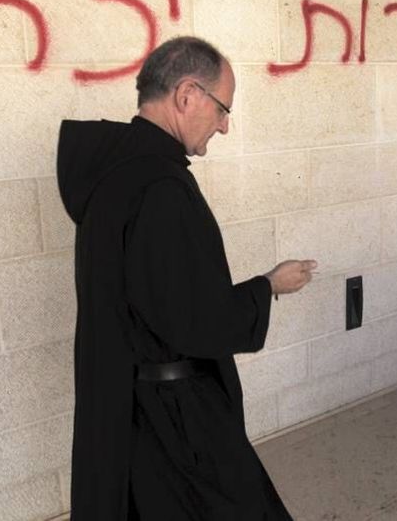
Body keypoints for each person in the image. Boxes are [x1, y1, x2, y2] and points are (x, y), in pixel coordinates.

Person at [57, 36, 317, 520]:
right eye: (222, 109)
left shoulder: (112, 174)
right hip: (172, 422)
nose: (224, 125)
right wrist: (268, 287)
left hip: (125, 409)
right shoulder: (160, 187)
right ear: (186, 95)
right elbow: (194, 320)